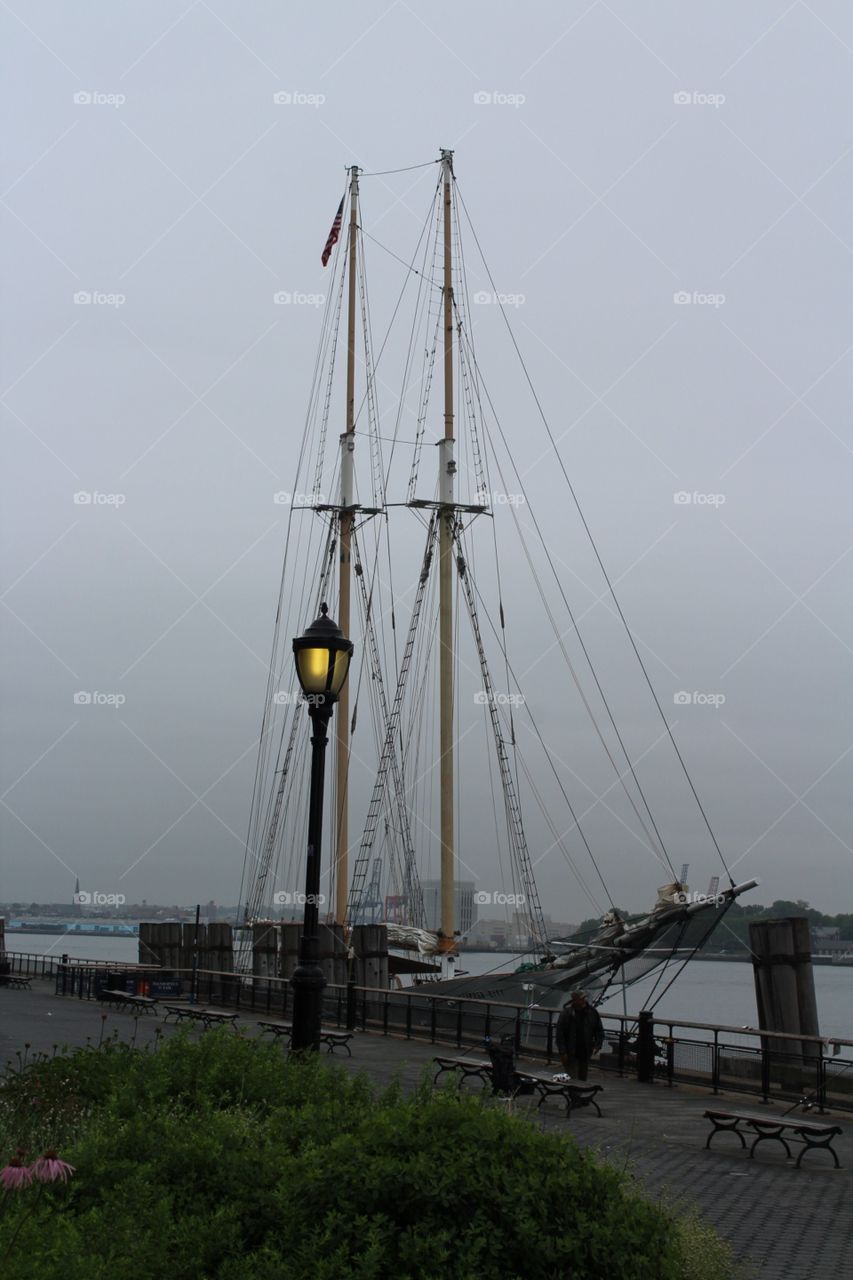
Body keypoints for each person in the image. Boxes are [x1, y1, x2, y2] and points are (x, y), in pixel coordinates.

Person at [555, 990, 603, 1081]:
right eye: (582, 999)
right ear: (575, 1000)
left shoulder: (592, 1012)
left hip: (585, 1051)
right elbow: (560, 1034)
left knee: (582, 1077)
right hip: (570, 1051)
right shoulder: (566, 1014)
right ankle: (575, 1094)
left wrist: (598, 1044)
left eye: (584, 998)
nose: (584, 1000)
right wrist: (562, 1052)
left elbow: (599, 1030)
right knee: (572, 1077)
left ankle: (578, 1093)